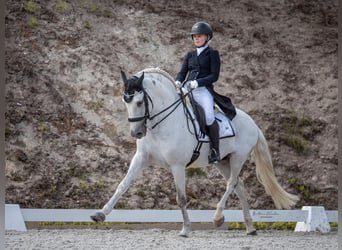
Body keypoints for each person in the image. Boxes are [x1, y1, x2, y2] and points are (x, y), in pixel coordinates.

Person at [175, 21, 221, 164]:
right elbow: (183, 72)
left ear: (207, 37)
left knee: (208, 117)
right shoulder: (190, 55)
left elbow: (214, 75)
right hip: (187, 89)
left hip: (203, 90)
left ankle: (215, 150)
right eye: (194, 36)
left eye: (199, 36)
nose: (196, 38)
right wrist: (177, 81)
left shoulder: (212, 54)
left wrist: (198, 82)